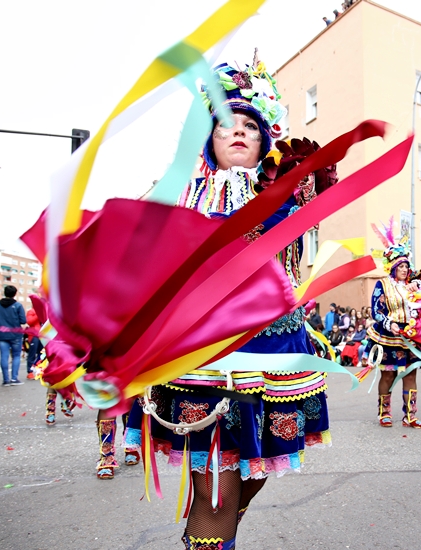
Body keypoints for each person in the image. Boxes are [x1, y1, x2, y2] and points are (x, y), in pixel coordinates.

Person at [144, 57, 335, 549]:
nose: (238, 132)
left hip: (277, 361)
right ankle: (211, 533)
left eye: (251, 125)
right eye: (226, 123)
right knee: (216, 492)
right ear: (208, 138)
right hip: (205, 359)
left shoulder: (285, 196)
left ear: (263, 142)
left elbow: (316, 209)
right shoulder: (181, 195)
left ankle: (209, 532)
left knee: (255, 470)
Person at [366, 217, 421, 429]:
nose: (404, 268)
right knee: (389, 373)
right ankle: (384, 412)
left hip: (411, 335)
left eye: (406, 265)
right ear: (392, 267)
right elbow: (376, 310)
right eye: (401, 265)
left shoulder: (415, 285)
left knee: (411, 373)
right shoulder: (382, 284)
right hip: (389, 335)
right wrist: (388, 323)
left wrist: (420, 291)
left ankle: (410, 415)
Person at [0, 285, 27, 386]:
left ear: (4, 293)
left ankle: (6, 380)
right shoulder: (18, 306)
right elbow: (23, 320)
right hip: (16, 335)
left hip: (2, 335)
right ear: (15, 294)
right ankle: (14, 379)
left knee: (4, 356)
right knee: (16, 356)